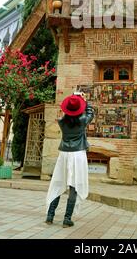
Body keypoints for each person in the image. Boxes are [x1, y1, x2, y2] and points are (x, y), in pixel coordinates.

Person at [45, 92, 94, 227]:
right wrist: (84, 100)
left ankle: (50, 215)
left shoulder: (61, 122)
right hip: (78, 154)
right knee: (74, 186)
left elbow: (69, 112)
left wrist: (74, 98)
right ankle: (67, 218)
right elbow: (90, 112)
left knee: (58, 183)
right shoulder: (83, 120)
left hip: (64, 154)